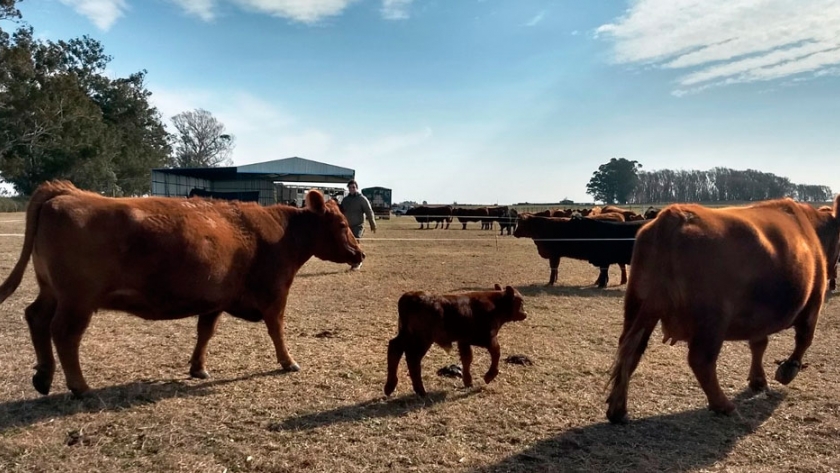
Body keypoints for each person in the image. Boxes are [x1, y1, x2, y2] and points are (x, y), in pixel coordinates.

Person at [339, 179, 376, 270]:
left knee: (355, 241)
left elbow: (369, 211)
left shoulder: (362, 199)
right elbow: (341, 211)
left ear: (356, 188)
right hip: (348, 226)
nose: (352, 189)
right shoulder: (345, 200)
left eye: (353, 187)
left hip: (358, 225)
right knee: (348, 244)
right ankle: (359, 257)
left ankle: (358, 262)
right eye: (350, 187)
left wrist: (372, 223)